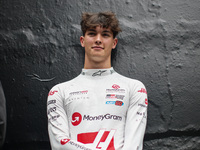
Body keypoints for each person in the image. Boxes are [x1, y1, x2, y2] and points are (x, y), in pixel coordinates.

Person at [47, 11, 148, 150]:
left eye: (105, 34)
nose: (98, 39)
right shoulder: (59, 92)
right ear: (82, 41)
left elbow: (133, 145)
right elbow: (59, 144)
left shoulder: (134, 88)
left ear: (114, 43)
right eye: (92, 33)